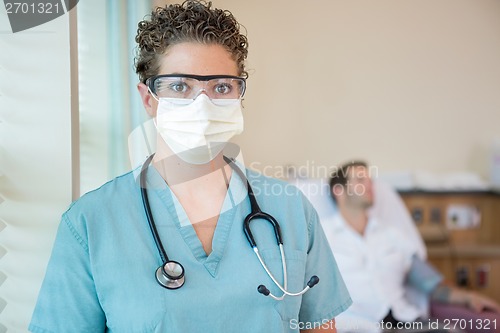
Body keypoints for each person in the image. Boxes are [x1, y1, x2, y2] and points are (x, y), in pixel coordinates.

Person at [28, 1, 352, 332]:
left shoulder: (291, 210)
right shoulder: (91, 223)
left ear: (239, 96)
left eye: (221, 87)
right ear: (148, 99)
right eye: (180, 86)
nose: (202, 104)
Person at [323, 160, 500, 333]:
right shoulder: (323, 236)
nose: (369, 185)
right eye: (360, 180)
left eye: (370, 180)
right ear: (339, 190)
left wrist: (468, 297)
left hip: (405, 321)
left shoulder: (392, 235)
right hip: (356, 325)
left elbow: (430, 282)